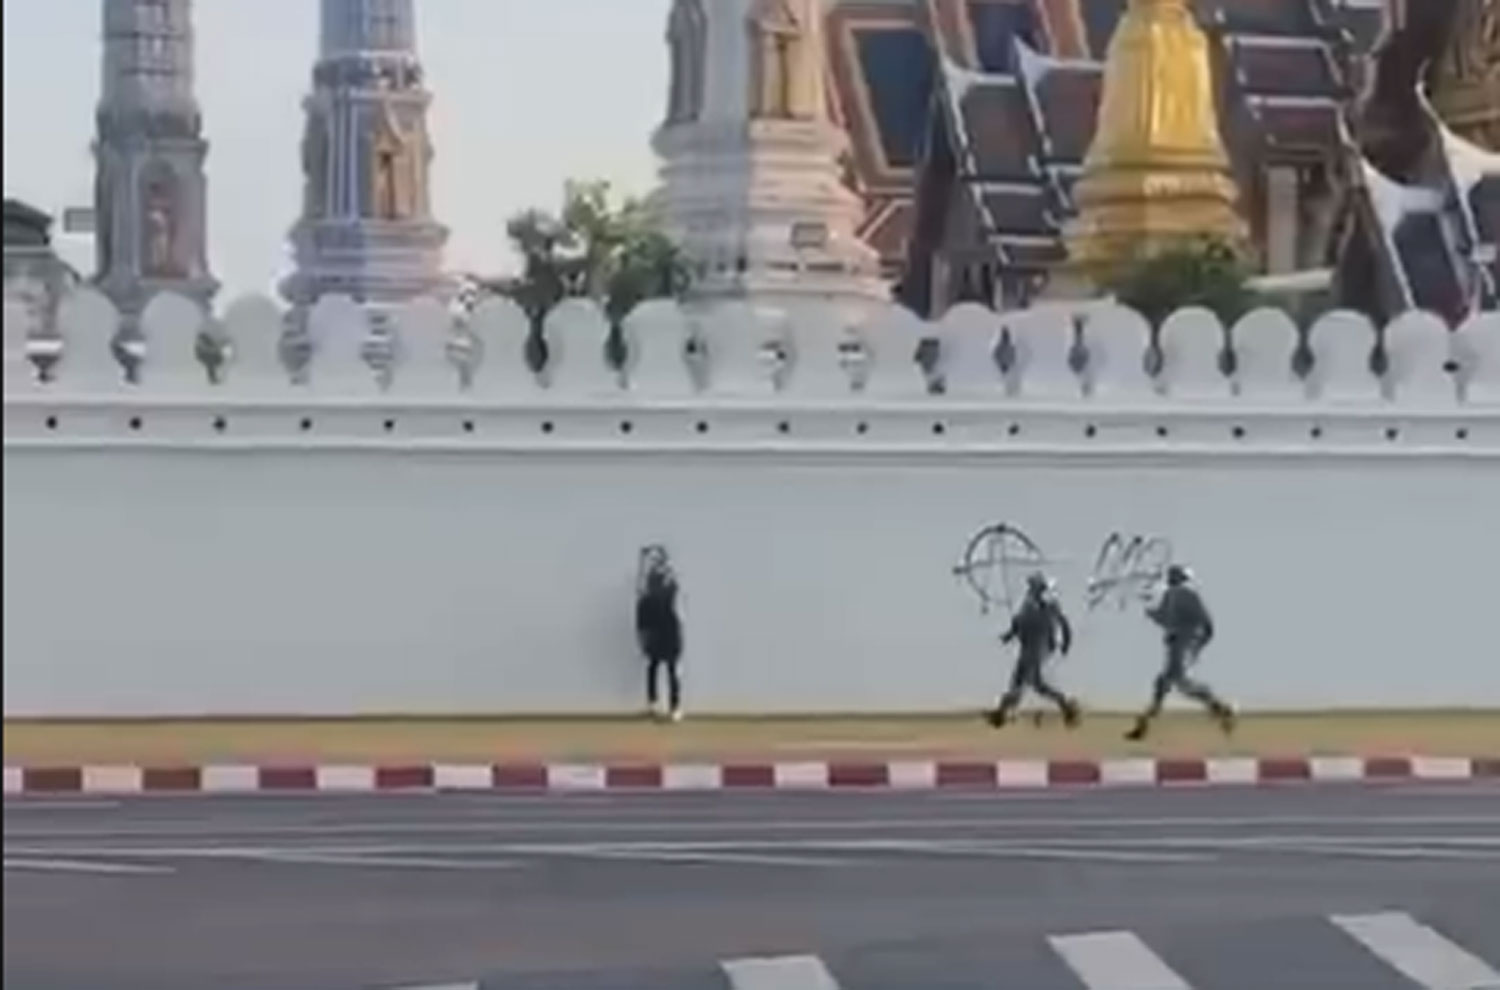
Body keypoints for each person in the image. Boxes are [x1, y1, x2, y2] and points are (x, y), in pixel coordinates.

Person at [1126, 564, 1235, 741]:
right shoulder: (1175, 595)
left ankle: (1221, 708)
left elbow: (1202, 622)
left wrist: (1195, 644)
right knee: (1167, 683)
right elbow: (1169, 619)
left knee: (1179, 683)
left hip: (1182, 644)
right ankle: (1146, 722)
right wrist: (1152, 613)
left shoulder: (1184, 594)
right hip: (1178, 644)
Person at [988, 573, 1082, 728]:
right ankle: (1066, 707)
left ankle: (1000, 714)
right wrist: (1009, 635)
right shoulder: (1028, 604)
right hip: (1027, 650)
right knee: (1031, 685)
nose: (1030, 589)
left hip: (1035, 651)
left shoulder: (1046, 606)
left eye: (1033, 586)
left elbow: (1063, 623)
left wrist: (1065, 642)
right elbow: (1019, 623)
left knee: (1024, 685)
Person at [635, 545, 684, 722]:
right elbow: (642, 598)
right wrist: (643, 635)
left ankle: (675, 707)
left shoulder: (668, 583)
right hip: (655, 630)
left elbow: (671, 586)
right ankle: (653, 703)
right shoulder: (649, 585)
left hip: (669, 631)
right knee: (653, 667)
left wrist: (662, 560)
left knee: (672, 669)